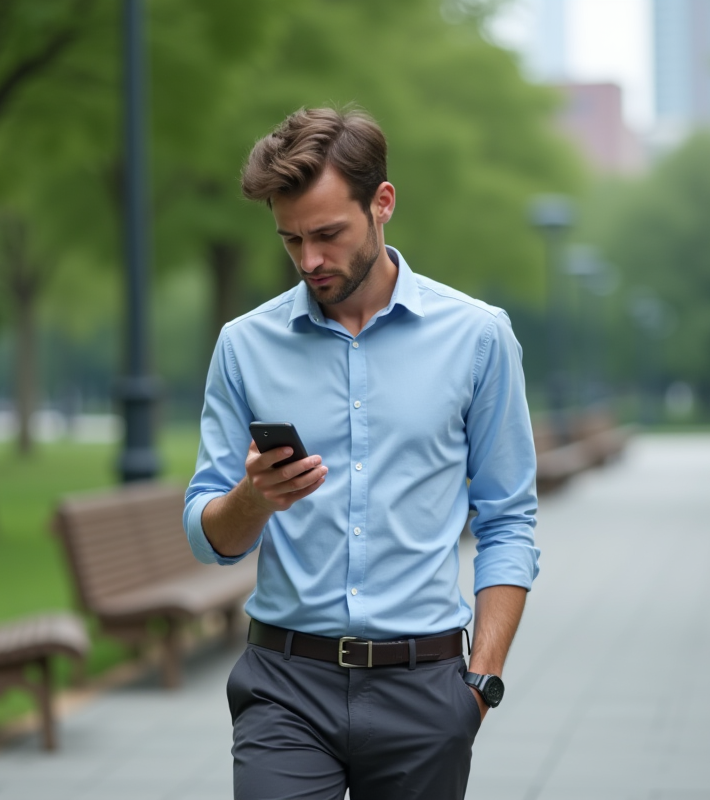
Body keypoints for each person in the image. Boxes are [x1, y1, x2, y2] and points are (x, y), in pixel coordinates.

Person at [183, 106, 540, 800]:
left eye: (328, 234)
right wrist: (254, 497)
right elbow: (208, 538)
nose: (310, 260)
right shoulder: (245, 345)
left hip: (426, 690)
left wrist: (480, 685)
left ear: (382, 205)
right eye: (291, 241)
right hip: (285, 685)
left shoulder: (478, 337)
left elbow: (508, 520)